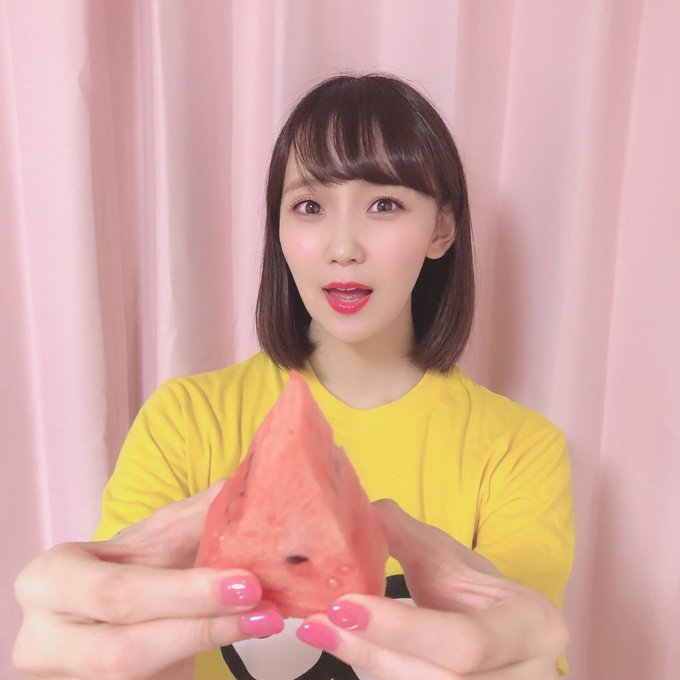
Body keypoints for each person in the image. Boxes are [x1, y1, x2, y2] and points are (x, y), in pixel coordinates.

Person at [13, 73, 574, 680]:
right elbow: (112, 633)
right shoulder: (186, 419)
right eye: (310, 206)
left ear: (441, 229)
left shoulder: (520, 450)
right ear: (278, 230)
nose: (342, 247)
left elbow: (517, 650)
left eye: (384, 205)